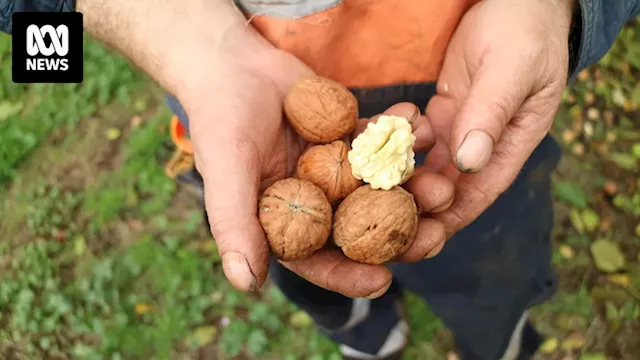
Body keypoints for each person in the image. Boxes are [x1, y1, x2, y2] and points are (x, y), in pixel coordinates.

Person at [3, 0, 640, 359]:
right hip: (244, 117)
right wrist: (163, 37)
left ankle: (497, 340)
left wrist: (568, 11)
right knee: (309, 275)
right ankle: (360, 332)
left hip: (468, 92)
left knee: (491, 269)